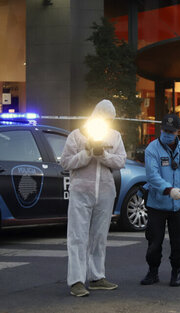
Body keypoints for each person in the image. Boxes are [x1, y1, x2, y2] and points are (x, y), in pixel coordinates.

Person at [60, 99, 126, 297]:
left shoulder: (114, 136)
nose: (107, 122)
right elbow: (65, 162)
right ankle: (76, 281)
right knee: (77, 237)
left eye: (109, 119)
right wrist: (87, 153)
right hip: (81, 192)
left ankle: (97, 277)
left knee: (99, 237)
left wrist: (103, 155)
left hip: (105, 193)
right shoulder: (76, 136)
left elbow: (120, 161)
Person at [141, 113, 180, 287]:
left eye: (171, 131)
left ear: (178, 131)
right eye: (165, 130)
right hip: (157, 204)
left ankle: (176, 272)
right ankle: (152, 272)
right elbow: (152, 176)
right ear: (161, 129)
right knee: (154, 241)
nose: (167, 133)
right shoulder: (152, 149)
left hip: (179, 205)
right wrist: (168, 190)